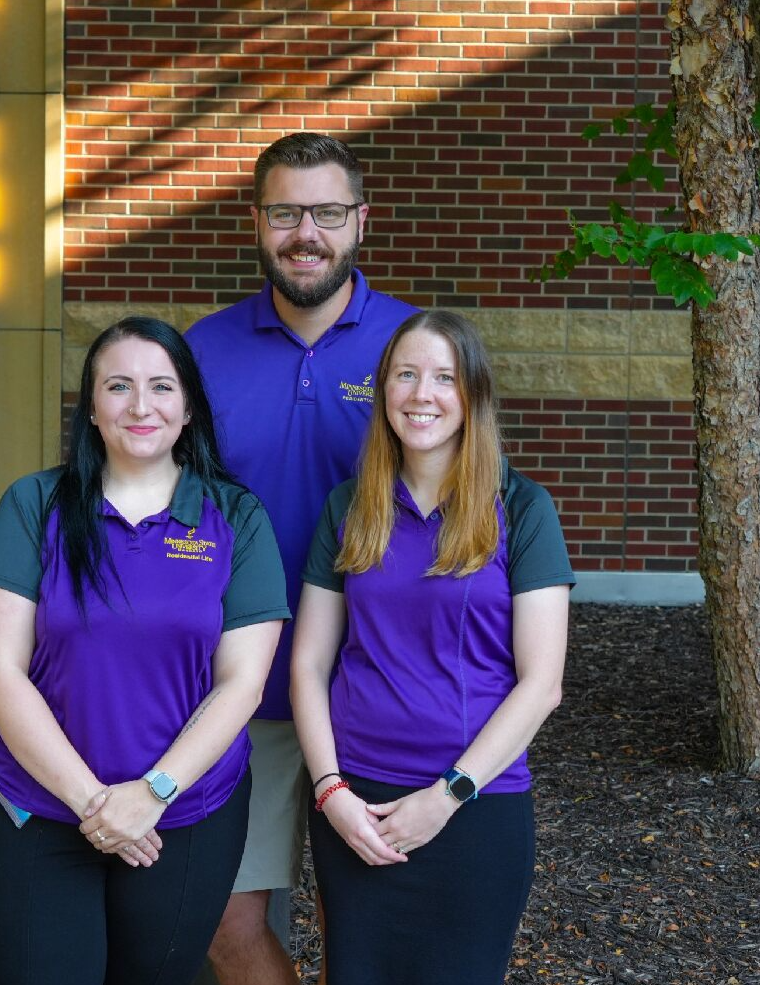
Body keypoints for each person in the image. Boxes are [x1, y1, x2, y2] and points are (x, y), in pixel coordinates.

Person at [0, 316, 290, 984]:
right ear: (91, 406)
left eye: (161, 386)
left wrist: (153, 791)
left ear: (189, 405)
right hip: (38, 808)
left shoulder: (236, 519)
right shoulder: (36, 505)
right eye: (118, 386)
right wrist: (97, 802)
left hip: (185, 814)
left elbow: (242, 683)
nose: (141, 406)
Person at [185, 132, 418, 984]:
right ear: (258, 221)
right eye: (286, 212)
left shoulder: (414, 351)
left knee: (361, 918)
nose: (305, 232)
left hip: (378, 687)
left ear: (361, 219)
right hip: (238, 684)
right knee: (220, 915)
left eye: (325, 212)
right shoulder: (199, 354)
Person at [291, 310, 574, 985]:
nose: (422, 394)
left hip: (475, 805)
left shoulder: (522, 507)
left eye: (444, 377)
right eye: (406, 374)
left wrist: (447, 795)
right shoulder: (349, 506)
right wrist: (331, 790)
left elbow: (543, 684)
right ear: (384, 389)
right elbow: (308, 664)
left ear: (472, 394)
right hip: (356, 802)